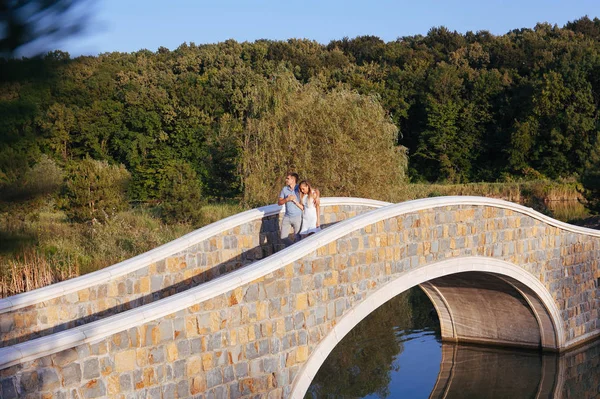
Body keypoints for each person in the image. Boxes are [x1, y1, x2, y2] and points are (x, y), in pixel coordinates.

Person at [277, 172, 302, 245]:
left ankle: (296, 253)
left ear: (293, 180)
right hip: (287, 217)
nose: (286, 180)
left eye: (288, 178)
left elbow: (309, 190)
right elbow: (279, 202)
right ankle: (292, 248)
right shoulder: (284, 189)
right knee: (283, 237)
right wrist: (287, 199)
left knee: (298, 238)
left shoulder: (299, 188)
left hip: (297, 217)